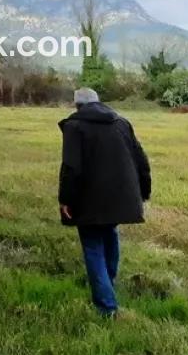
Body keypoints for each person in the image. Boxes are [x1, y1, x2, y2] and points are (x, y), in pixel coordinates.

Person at [58, 87, 151, 317]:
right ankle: (108, 284)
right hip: (119, 197)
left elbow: (71, 168)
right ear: (99, 102)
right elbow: (141, 158)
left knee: (93, 247)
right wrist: (144, 191)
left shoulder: (74, 127)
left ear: (77, 105)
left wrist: (65, 199)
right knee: (109, 235)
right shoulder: (121, 123)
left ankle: (106, 306)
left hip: (89, 198)